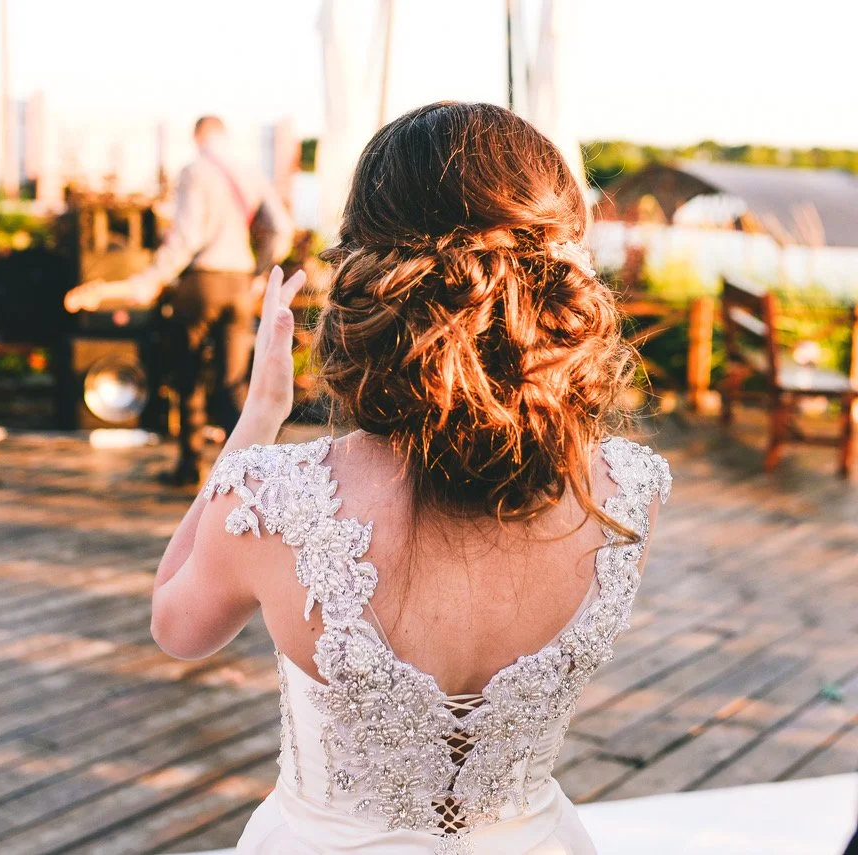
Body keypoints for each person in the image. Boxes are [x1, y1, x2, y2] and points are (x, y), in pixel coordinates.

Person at [151, 103, 671, 853]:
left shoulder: (270, 499)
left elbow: (177, 627)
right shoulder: (628, 495)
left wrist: (258, 413)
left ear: (368, 272)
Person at [65, 116, 295, 486]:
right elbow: (282, 228)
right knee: (232, 382)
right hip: (239, 285)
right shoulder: (250, 172)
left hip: (201, 283)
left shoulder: (195, 170)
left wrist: (152, 279)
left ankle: (190, 468)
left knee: (188, 376)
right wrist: (259, 272)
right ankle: (254, 477)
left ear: (197, 137)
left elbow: (186, 236)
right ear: (225, 135)